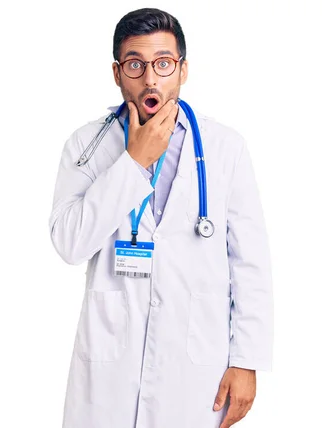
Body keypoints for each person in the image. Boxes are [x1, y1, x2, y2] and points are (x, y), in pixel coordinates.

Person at [48, 8, 273, 428]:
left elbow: (251, 266)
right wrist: (133, 162)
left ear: (183, 70)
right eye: (136, 64)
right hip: (109, 371)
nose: (151, 79)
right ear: (117, 73)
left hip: (194, 371)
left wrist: (247, 361)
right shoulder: (86, 146)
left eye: (163, 64)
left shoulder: (226, 149)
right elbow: (69, 243)